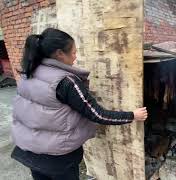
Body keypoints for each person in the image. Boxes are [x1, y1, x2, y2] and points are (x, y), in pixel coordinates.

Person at [11, 28, 148, 180]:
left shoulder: (28, 72)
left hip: (29, 150)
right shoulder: (66, 82)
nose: (76, 57)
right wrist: (133, 115)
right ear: (59, 54)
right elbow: (97, 114)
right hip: (58, 158)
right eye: (74, 52)